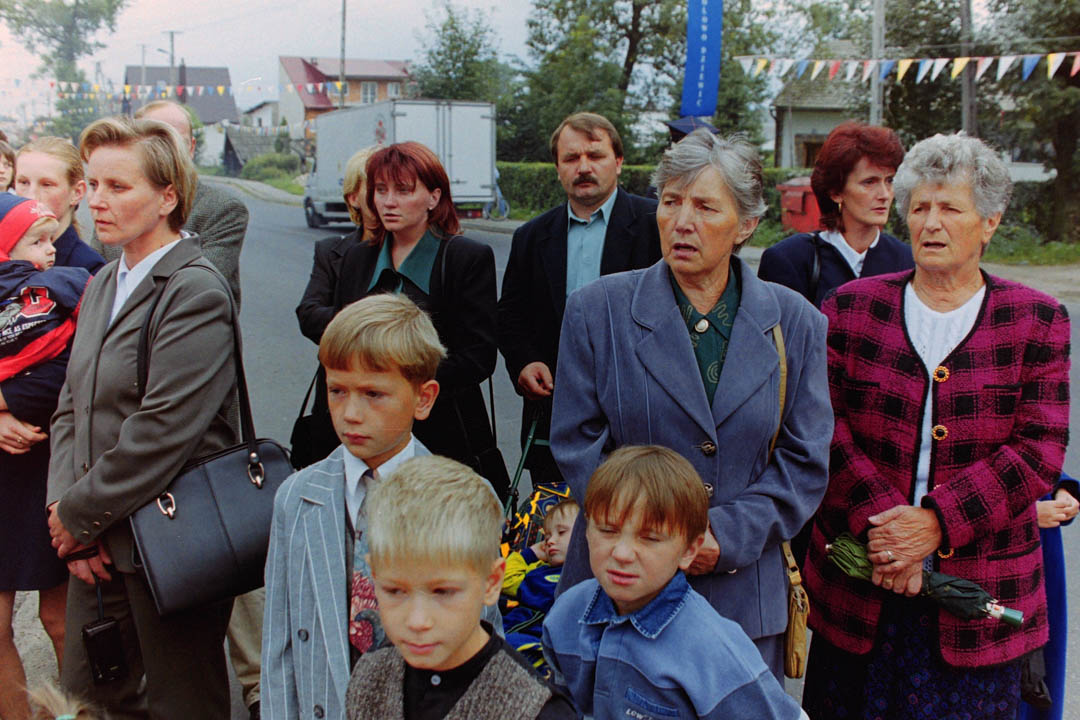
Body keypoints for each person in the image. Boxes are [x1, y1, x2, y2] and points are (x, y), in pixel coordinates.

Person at [802, 133, 1071, 719]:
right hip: (859, 588)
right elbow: (821, 426)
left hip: (979, 600)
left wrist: (936, 524)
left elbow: (1038, 450)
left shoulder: (1036, 319)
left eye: (950, 208)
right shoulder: (850, 308)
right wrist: (886, 531)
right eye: (920, 206)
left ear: (990, 222)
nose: (931, 222)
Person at [550, 128, 833, 680]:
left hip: (741, 601)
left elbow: (804, 462)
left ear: (746, 225)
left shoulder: (796, 322)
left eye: (705, 207)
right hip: (618, 588)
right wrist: (657, 537)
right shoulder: (597, 311)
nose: (682, 221)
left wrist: (725, 535)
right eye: (671, 202)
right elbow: (577, 444)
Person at [45, 115, 239, 718]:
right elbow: (71, 405)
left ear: (168, 197)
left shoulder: (195, 289)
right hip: (98, 546)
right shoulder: (106, 280)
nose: (96, 201)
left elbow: (163, 430)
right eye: (93, 185)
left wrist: (78, 515)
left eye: (118, 187)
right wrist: (66, 513)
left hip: (173, 544)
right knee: (88, 700)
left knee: (184, 702)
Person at [262, 293, 443, 720]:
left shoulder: (456, 501)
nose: (351, 414)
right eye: (337, 391)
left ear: (423, 398)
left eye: (373, 394)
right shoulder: (296, 496)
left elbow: (481, 646)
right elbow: (278, 643)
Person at [543, 446, 807, 719]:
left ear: (690, 550)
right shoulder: (565, 615)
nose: (622, 553)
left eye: (650, 538)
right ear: (586, 530)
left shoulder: (713, 649)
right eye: (608, 530)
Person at [497, 112, 662, 487]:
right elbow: (510, 315)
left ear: (618, 162)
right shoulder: (531, 236)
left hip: (643, 414)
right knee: (556, 519)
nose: (583, 167)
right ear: (558, 168)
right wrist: (524, 362)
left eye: (595, 155)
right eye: (571, 158)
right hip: (554, 415)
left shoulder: (656, 225)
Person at [334, 142, 506, 498]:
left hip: (444, 433)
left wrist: (399, 384)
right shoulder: (356, 259)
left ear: (434, 197)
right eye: (380, 190)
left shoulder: (465, 258)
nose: (388, 202)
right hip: (366, 436)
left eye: (403, 190)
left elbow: (478, 358)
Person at [345, 455, 575, 720]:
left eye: (443, 592)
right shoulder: (369, 678)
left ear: (491, 582)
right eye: (395, 591)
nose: (417, 620)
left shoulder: (537, 710)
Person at [0, 195, 89, 720]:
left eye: (52, 239)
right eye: (37, 242)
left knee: (62, 620)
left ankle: (82, 710)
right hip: (6, 478)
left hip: (49, 473)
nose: (51, 251)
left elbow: (68, 378)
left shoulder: (64, 290)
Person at [89, 100, 248, 309]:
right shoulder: (112, 210)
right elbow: (92, 281)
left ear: (191, 148)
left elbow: (194, 291)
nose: (166, 153)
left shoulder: (222, 209)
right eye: (155, 142)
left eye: (173, 142)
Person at [758, 121, 912, 308]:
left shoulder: (907, 261)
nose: (885, 194)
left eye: (889, 180)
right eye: (869, 182)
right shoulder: (790, 259)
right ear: (836, 192)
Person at [296, 146, 379, 344]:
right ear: (354, 198)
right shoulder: (332, 251)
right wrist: (366, 320)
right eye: (377, 188)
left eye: (398, 189)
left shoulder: (412, 250)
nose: (387, 199)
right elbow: (309, 316)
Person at [1019, 475, 1079, 720]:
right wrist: (1025, 516)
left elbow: (1037, 456)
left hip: (1041, 546)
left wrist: (1061, 488)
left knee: (1038, 673)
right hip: (990, 553)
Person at [501, 499, 578, 669]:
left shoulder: (586, 573)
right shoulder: (538, 569)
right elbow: (505, 580)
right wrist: (530, 554)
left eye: (561, 532)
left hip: (540, 640)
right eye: (547, 537)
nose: (550, 541)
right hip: (512, 627)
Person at [14, 137, 105, 274]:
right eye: (23, 182)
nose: (31, 196)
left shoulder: (89, 269)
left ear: (77, 193)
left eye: (47, 185)